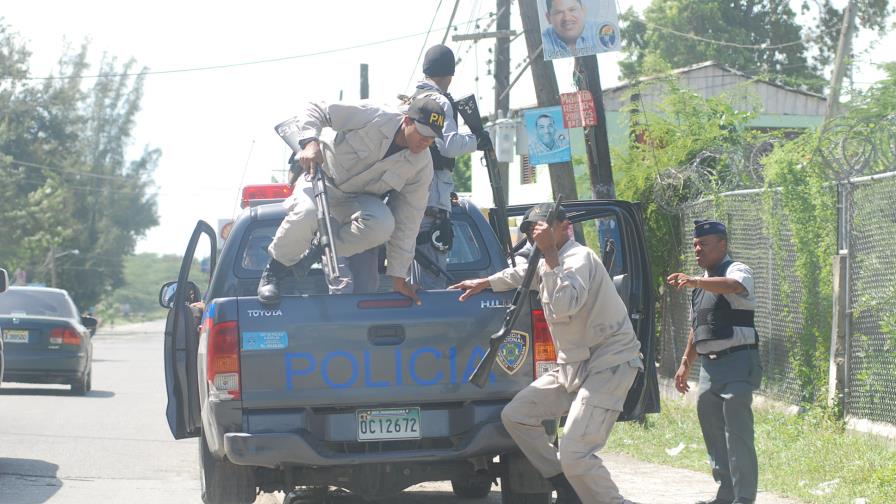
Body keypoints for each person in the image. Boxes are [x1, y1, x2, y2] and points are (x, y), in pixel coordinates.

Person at [450, 203, 643, 504]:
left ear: (565, 226)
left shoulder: (578, 258)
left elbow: (565, 304)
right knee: (517, 415)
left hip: (608, 364)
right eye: (530, 231)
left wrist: (550, 253)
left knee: (576, 452)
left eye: (540, 228)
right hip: (574, 367)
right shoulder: (547, 261)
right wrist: (484, 282)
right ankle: (563, 482)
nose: (534, 236)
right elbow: (521, 275)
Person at [259, 98, 445, 305]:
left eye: (432, 138)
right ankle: (274, 272)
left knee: (383, 224)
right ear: (407, 121)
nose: (426, 142)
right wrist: (310, 142)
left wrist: (398, 278)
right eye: (423, 134)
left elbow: (408, 221)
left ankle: (316, 251)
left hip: (357, 200)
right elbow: (316, 109)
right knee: (307, 213)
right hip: (320, 179)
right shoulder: (376, 114)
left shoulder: (422, 166)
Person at [667, 220, 761, 504]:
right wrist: (685, 362)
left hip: (738, 360)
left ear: (722, 244)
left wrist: (695, 280)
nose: (697, 250)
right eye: (695, 245)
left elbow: (733, 286)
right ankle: (726, 491)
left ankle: (744, 498)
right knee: (711, 426)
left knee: (737, 430)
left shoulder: (736, 270)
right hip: (709, 367)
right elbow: (699, 328)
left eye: (703, 244)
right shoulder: (699, 285)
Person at [407, 44, 481, 290]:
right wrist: (478, 140)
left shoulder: (412, 100)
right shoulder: (440, 101)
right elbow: (449, 145)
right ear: (450, 74)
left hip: (409, 193)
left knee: (413, 271)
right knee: (434, 270)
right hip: (433, 194)